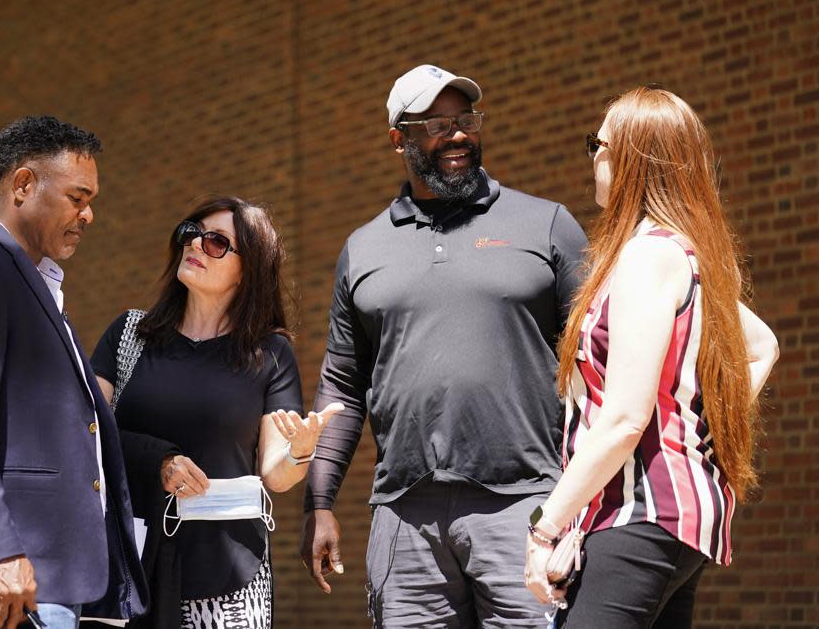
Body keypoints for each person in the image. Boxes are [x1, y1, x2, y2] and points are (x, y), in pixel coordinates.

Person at [299, 64, 589, 628]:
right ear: (398, 139)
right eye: (435, 123)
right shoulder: (363, 249)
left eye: (466, 120)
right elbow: (341, 386)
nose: (457, 134)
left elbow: (598, 361)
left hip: (528, 507)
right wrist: (319, 503)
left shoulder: (547, 225)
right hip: (407, 518)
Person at [523, 87, 780, 627]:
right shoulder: (680, 253)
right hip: (675, 520)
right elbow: (762, 348)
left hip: (640, 516)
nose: (592, 155)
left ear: (631, 158)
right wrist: (699, 426)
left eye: (599, 143)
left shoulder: (647, 255)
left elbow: (622, 420)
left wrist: (544, 526)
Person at [0, 116, 149, 629]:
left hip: (56, 576)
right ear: (23, 185)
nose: (89, 215)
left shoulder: (30, 282)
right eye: (77, 197)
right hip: (15, 577)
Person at [90, 196, 342, 629]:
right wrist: (158, 461)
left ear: (250, 269)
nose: (195, 245)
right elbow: (85, 430)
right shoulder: (130, 335)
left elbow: (275, 474)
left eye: (216, 242)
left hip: (230, 577)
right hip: (128, 565)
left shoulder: (270, 354)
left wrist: (300, 452)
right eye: (191, 233)